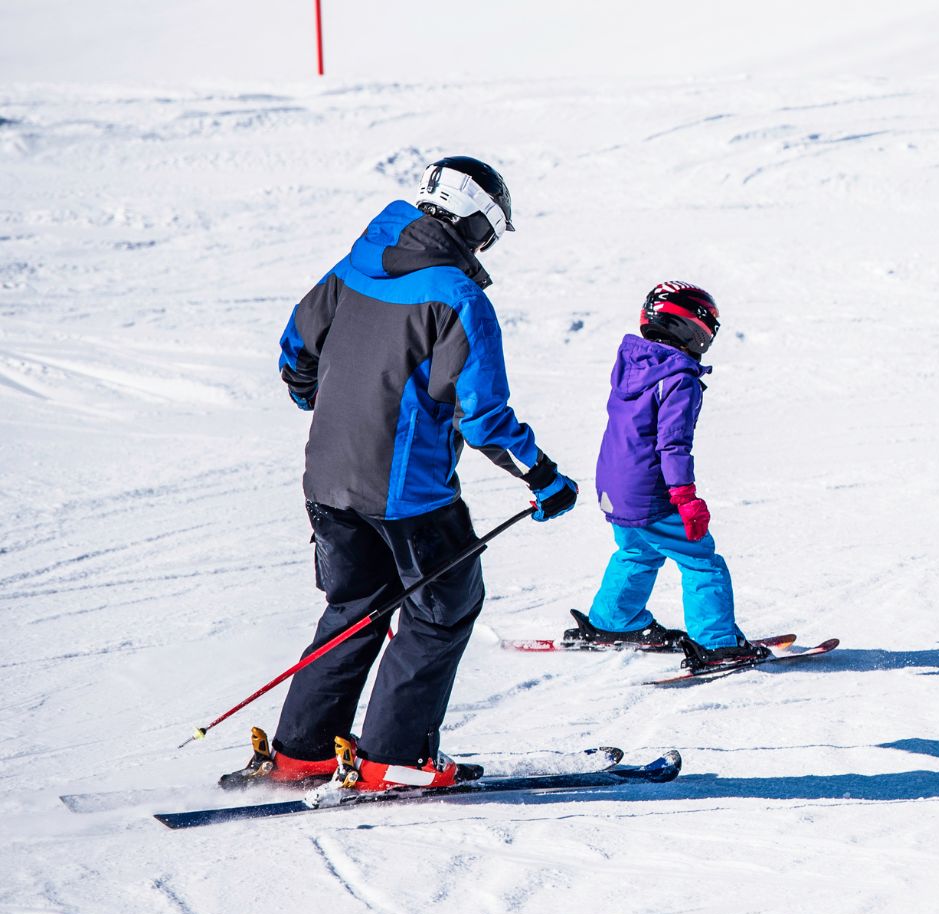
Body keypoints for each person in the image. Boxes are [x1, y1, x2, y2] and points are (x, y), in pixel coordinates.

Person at [228, 156, 579, 793]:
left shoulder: (354, 264)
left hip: (327, 480)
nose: (486, 244)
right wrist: (543, 476)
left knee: (355, 605)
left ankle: (302, 751)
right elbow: (484, 418)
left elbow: (295, 347)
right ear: (474, 220)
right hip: (407, 494)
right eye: (490, 230)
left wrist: (320, 400)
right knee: (443, 608)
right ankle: (394, 757)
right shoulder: (457, 298)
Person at [562, 281, 768, 670]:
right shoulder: (680, 378)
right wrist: (686, 498)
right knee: (702, 561)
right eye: (708, 325)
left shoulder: (634, 364)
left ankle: (612, 621)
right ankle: (717, 643)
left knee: (637, 550)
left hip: (613, 486)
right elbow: (673, 445)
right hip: (649, 492)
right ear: (689, 325)